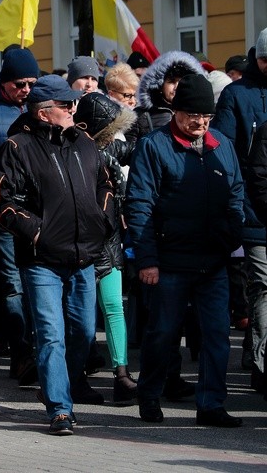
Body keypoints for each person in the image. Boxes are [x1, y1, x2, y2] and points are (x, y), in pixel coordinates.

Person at [0, 75, 113, 436]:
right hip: (41, 260)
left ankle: (69, 386)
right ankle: (59, 408)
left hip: (84, 256)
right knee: (50, 333)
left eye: (73, 103)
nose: (75, 108)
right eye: (66, 104)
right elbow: (0, 201)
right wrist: (38, 231)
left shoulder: (85, 142)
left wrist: (102, 220)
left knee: (84, 332)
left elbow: (105, 183)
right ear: (44, 113)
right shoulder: (17, 146)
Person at [126, 74, 244, 427]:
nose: (200, 122)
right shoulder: (154, 146)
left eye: (206, 116)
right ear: (176, 111)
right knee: (163, 333)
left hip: (213, 261)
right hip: (170, 262)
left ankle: (210, 405)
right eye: (193, 115)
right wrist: (147, 259)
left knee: (216, 335)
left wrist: (231, 235)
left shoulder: (221, 144)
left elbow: (236, 194)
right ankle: (149, 393)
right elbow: (139, 206)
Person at [211, 28, 267, 394]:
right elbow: (224, 149)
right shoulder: (236, 94)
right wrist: (235, 201)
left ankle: (255, 350)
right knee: (263, 285)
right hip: (252, 210)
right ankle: (262, 364)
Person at [73, 92, 138, 403]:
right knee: (81, 316)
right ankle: (77, 376)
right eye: (109, 129)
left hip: (109, 245)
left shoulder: (110, 150)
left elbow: (137, 150)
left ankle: (121, 374)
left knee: (114, 308)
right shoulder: (72, 152)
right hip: (83, 248)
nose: (114, 135)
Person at [0, 48, 40, 382]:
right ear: (5, 81)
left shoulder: (38, 107)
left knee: (36, 281)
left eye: (32, 82)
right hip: (2, 212)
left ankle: (38, 350)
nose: (26, 89)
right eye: (20, 83)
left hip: (37, 213)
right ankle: (21, 353)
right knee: (12, 282)